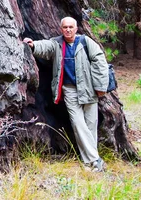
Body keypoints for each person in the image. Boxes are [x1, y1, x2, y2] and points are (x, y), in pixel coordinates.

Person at [23, 16, 109, 172]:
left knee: (90, 125)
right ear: (61, 29)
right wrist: (33, 44)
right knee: (78, 123)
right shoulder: (57, 43)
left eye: (71, 27)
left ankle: (89, 161)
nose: (68, 30)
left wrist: (100, 85)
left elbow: (100, 62)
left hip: (88, 88)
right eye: (65, 27)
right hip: (69, 90)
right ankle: (95, 160)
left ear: (76, 29)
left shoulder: (85, 42)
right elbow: (46, 46)